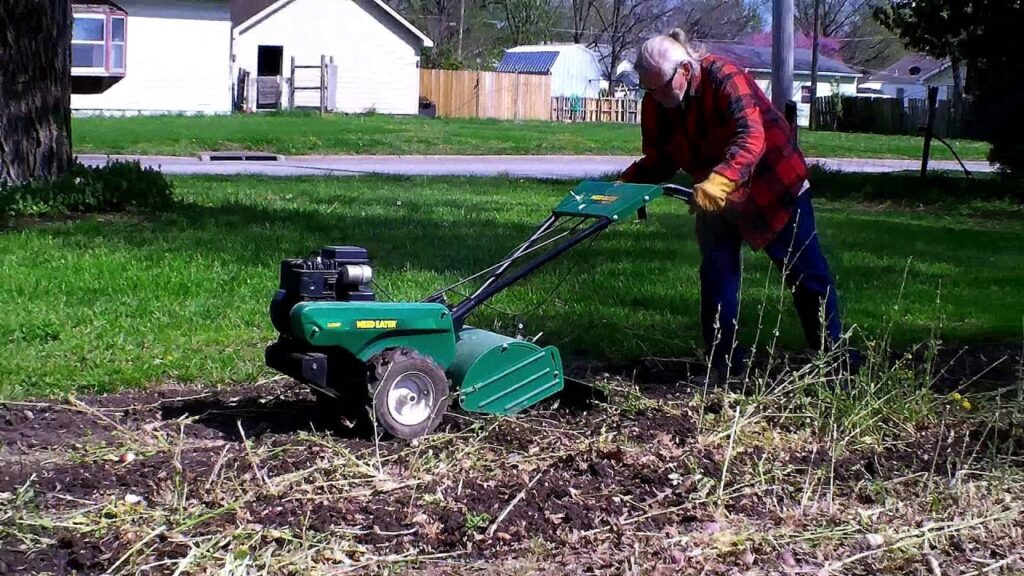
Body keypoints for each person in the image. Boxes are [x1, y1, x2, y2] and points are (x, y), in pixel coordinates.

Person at [617, 28, 846, 380]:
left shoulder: (724, 76)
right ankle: (723, 366)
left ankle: (832, 362)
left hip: (773, 186)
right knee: (716, 277)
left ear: (685, 70)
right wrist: (625, 186)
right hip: (716, 195)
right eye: (648, 89)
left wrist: (721, 179)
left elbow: (750, 136)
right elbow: (661, 157)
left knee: (807, 276)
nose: (656, 96)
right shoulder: (658, 101)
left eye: (662, 86)